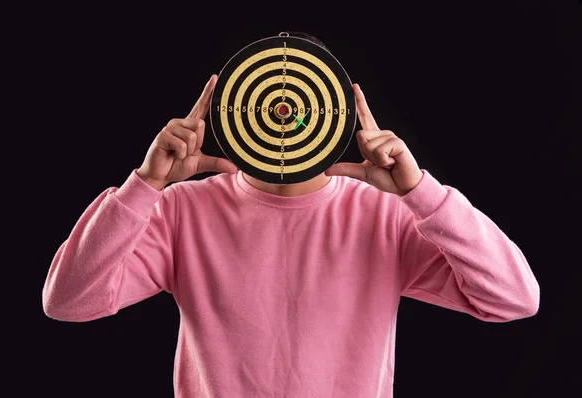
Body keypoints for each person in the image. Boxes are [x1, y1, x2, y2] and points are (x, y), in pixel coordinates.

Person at [42, 33, 540, 398]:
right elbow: (67, 301)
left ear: (337, 109)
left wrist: (420, 191)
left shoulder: (384, 216)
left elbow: (513, 298)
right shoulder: (179, 211)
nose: (285, 112)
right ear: (233, 106)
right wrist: (144, 185)